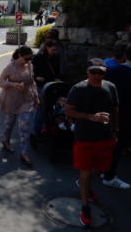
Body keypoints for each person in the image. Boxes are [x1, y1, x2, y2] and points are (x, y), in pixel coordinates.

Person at [64, 58, 119, 227]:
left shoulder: (110, 87)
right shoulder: (78, 89)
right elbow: (68, 110)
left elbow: (115, 109)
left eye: (101, 72)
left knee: (101, 168)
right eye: (94, 71)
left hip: (105, 137)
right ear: (87, 72)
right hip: (85, 137)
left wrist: (115, 131)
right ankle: (85, 206)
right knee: (86, 171)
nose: (97, 75)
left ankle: (83, 184)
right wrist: (91, 117)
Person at [0, 46, 39, 167]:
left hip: (26, 99)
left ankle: (24, 153)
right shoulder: (10, 67)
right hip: (12, 99)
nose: (28, 61)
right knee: (9, 123)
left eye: (30, 58)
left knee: (24, 127)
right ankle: (6, 141)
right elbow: (0, 82)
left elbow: (32, 82)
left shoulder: (30, 65)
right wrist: (12, 84)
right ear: (20, 56)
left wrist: (36, 96)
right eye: (26, 58)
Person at [101, 45, 131, 189]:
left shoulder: (112, 71)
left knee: (107, 142)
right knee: (117, 146)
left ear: (125, 55)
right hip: (125, 116)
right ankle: (109, 175)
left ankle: (102, 170)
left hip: (109, 112)